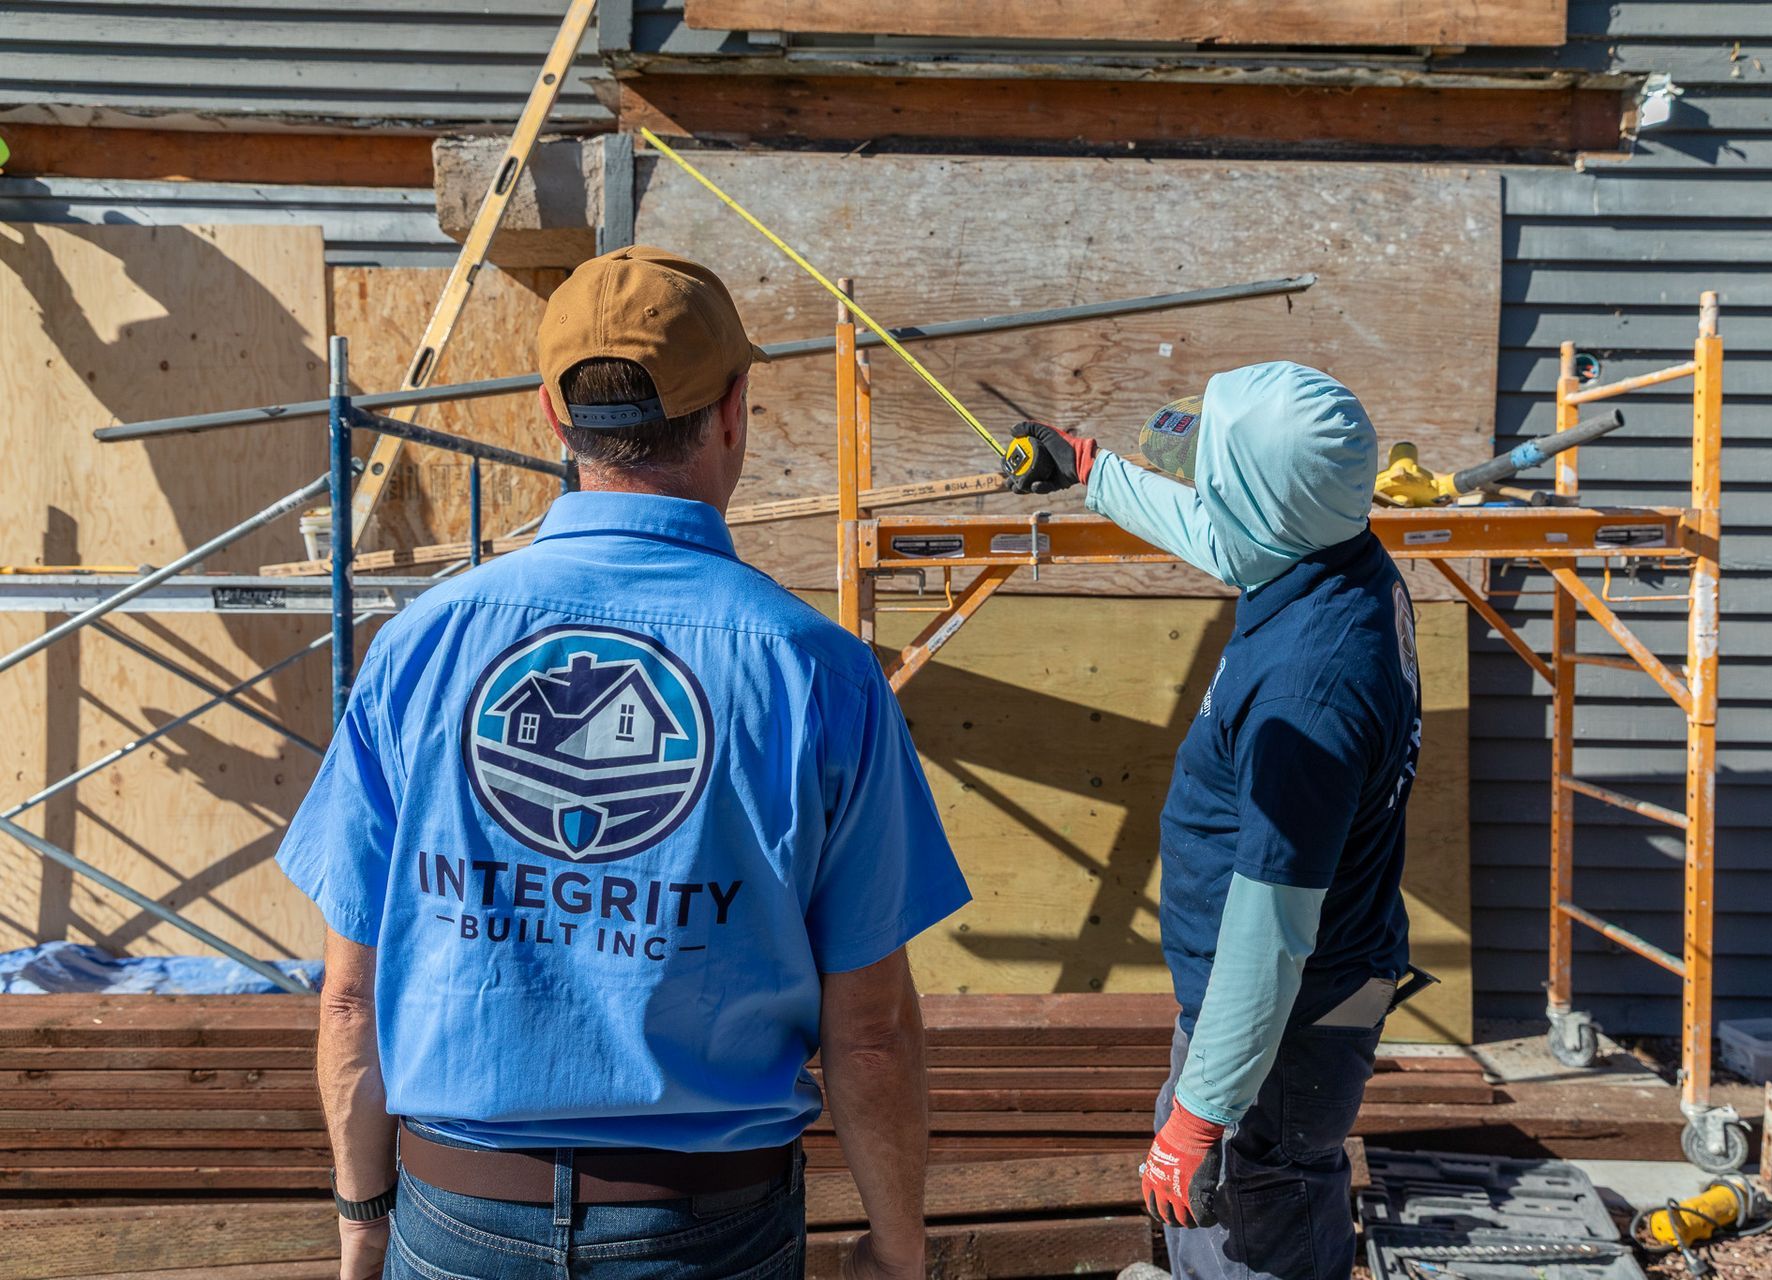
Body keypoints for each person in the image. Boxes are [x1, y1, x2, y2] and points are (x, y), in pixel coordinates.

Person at [278, 246, 971, 1280]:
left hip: (460, 1212)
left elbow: (348, 997)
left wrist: (365, 1219)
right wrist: (897, 1244)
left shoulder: (421, 648)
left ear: (552, 417)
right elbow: (868, 1029)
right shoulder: (814, 670)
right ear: (735, 408)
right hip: (706, 1226)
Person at [1007, 362, 1422, 1280]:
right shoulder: (1339, 558)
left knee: (1250, 1234)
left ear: (1265, 508)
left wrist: (1200, 1118)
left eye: (1215, 470)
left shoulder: (1307, 698)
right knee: (1255, 1214)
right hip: (1294, 1013)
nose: (1199, 484)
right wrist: (1089, 467)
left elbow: (1267, 936)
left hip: (1286, 1022)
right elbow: (1226, 533)